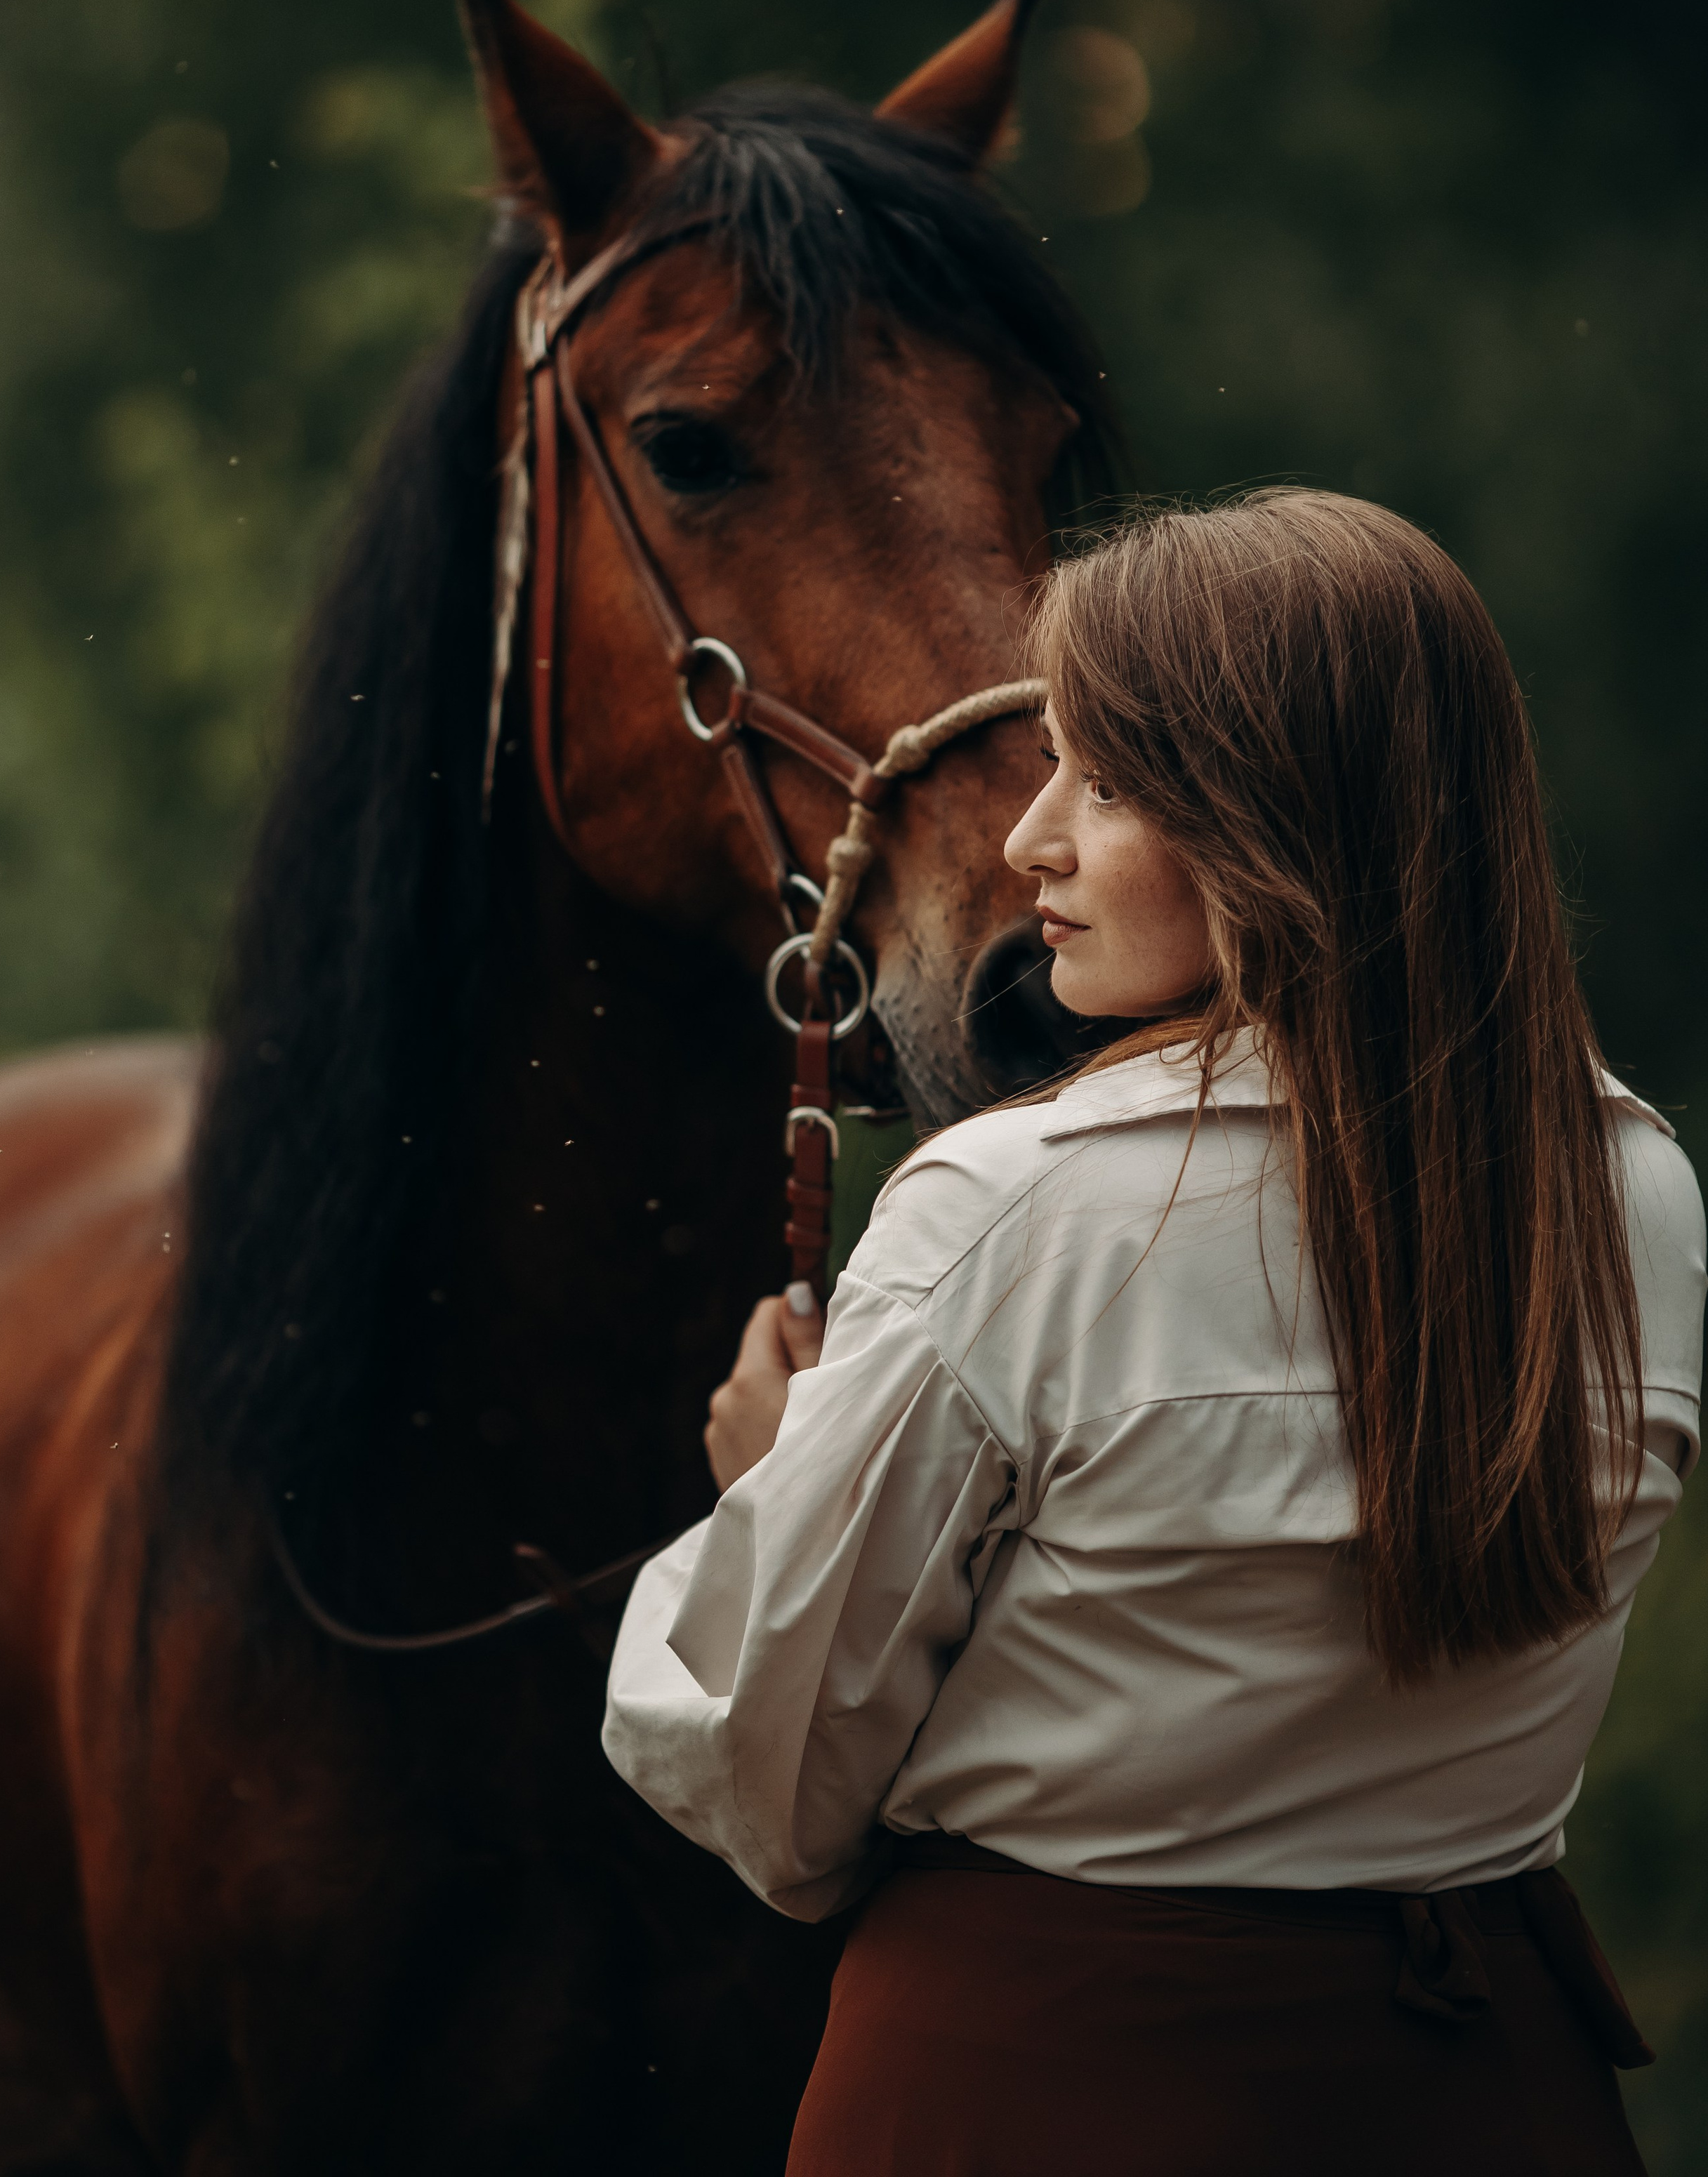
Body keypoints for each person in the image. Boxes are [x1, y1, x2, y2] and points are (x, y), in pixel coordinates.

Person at [602, 490, 1704, 2177]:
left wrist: (771, 1486)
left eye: (1103, 784)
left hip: (1040, 2099)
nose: (1030, 841)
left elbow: (766, 1780)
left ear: (1281, 824)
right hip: (1488, 2097)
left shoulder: (1018, 1210)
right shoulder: (1631, 1190)